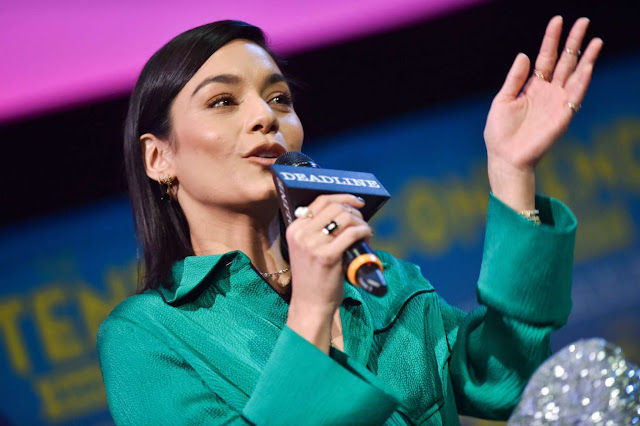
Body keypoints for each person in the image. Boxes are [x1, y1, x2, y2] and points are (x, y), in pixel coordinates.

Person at [97, 18, 603, 425]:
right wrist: (313, 311)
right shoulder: (146, 335)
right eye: (224, 101)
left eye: (279, 99)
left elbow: (506, 381)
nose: (266, 116)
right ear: (159, 158)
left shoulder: (384, 281)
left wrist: (512, 171)